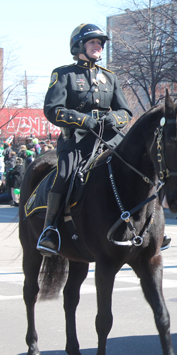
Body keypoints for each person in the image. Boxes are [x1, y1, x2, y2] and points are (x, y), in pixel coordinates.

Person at [36, 23, 133, 256]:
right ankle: (50, 229)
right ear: (79, 45)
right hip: (77, 140)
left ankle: (151, 226)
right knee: (64, 175)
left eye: (100, 42)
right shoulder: (64, 74)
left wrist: (114, 118)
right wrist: (82, 120)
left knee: (138, 165)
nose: (98, 45)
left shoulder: (110, 77)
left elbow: (125, 112)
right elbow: (52, 109)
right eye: (93, 42)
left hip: (108, 138)